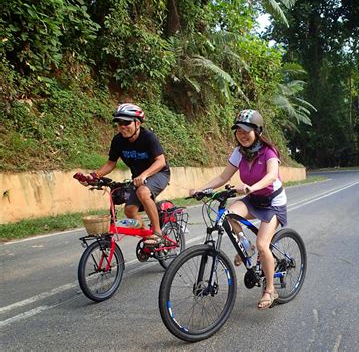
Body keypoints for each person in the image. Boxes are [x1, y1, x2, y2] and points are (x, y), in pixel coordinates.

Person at [189, 109, 287, 310]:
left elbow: (271, 176)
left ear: (257, 131)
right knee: (227, 214)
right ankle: (244, 245)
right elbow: (223, 178)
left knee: (262, 244)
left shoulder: (269, 152)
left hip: (272, 203)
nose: (242, 135)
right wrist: (201, 189)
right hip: (253, 199)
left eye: (246, 130)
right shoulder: (238, 153)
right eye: (238, 131)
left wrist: (253, 187)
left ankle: (270, 289)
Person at [80, 103, 170, 246]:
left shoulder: (148, 137)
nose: (122, 126)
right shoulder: (118, 141)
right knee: (129, 211)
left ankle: (158, 232)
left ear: (138, 123)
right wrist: (94, 176)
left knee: (143, 192)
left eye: (126, 122)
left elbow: (161, 161)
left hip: (159, 173)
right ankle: (147, 236)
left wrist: (145, 175)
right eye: (119, 122)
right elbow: (111, 163)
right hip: (139, 179)